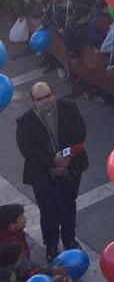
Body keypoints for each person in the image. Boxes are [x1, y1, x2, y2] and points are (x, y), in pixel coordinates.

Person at [15, 82, 88, 260]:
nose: (46, 101)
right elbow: (27, 150)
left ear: (53, 94)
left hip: (71, 167)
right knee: (49, 211)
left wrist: (66, 160)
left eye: (48, 96)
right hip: (43, 174)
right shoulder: (25, 122)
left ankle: (70, 240)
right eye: (40, 99)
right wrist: (52, 163)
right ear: (33, 101)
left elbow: (80, 133)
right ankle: (52, 246)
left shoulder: (68, 108)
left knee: (69, 205)